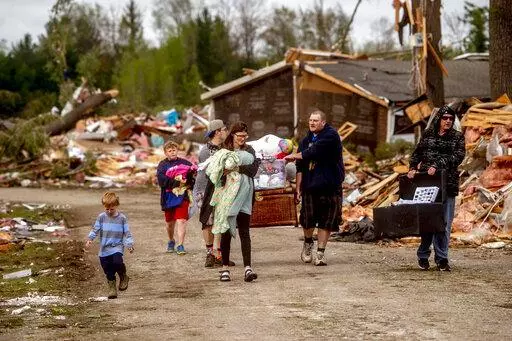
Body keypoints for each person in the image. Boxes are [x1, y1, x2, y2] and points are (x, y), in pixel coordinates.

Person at [408, 104, 465, 271]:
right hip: (427, 184)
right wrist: (412, 168)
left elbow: (458, 156)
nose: (448, 121)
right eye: (445, 118)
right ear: (439, 119)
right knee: (427, 221)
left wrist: (438, 164)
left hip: (447, 184)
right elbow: (417, 153)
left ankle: (442, 258)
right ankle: (423, 255)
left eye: (450, 119)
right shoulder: (428, 134)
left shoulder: (457, 137)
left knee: (444, 223)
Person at [285, 109, 344, 266]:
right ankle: (308, 242)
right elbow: (300, 167)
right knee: (308, 220)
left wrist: (294, 155)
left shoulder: (331, 136)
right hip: (310, 187)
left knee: (327, 221)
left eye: (315, 120)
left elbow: (314, 151)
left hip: (330, 186)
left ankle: (321, 253)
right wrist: (298, 189)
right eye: (310, 120)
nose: (312, 123)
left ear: (323, 122)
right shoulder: (305, 141)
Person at [205, 121, 260, 282]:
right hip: (227, 197)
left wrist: (235, 168)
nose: (242, 139)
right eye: (239, 136)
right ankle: (225, 268)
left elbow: (253, 170)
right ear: (233, 135)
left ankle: (248, 268)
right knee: (226, 232)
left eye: (245, 136)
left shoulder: (250, 150)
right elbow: (217, 173)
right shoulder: (224, 151)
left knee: (244, 231)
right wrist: (227, 171)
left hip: (245, 196)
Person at [193, 119, 229, 267]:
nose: (226, 132)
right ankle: (210, 254)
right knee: (207, 221)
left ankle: (218, 253)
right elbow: (209, 172)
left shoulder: (224, 148)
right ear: (217, 132)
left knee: (219, 222)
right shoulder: (206, 151)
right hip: (205, 189)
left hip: (220, 189)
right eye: (224, 129)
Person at [85, 192, 134, 299]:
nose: (109, 211)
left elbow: (127, 233)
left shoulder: (122, 218)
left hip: (117, 246)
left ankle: (123, 275)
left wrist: (129, 244)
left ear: (116, 205)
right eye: (106, 209)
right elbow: (95, 229)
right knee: (107, 268)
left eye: (111, 209)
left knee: (117, 262)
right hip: (104, 248)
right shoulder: (101, 217)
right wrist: (90, 239)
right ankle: (112, 288)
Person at [157, 140, 195, 255]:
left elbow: (192, 177)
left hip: (182, 196)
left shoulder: (185, 163)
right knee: (169, 223)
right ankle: (171, 240)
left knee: (182, 220)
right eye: (170, 150)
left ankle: (180, 245)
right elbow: (161, 181)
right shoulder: (162, 165)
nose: (172, 152)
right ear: (165, 153)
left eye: (174, 150)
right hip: (168, 197)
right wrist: (177, 182)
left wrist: (188, 181)